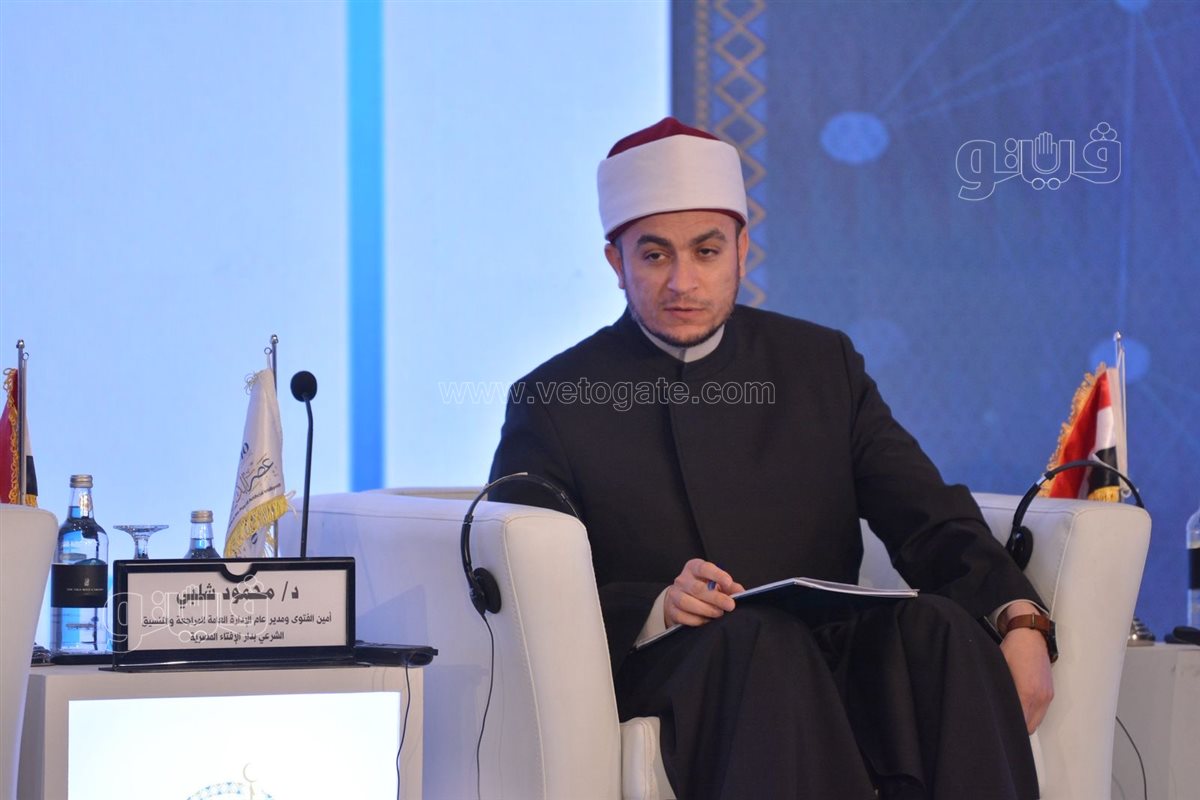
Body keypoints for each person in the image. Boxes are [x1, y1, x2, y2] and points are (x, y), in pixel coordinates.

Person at [489, 117, 1054, 799]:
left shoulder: (820, 364)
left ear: (742, 249)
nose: (682, 282)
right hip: (683, 666)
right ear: (616, 263)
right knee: (761, 643)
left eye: (705, 251)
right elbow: (527, 583)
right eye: (655, 255)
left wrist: (1017, 616)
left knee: (939, 630)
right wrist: (658, 605)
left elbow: (926, 515)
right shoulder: (554, 398)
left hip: (828, 648)